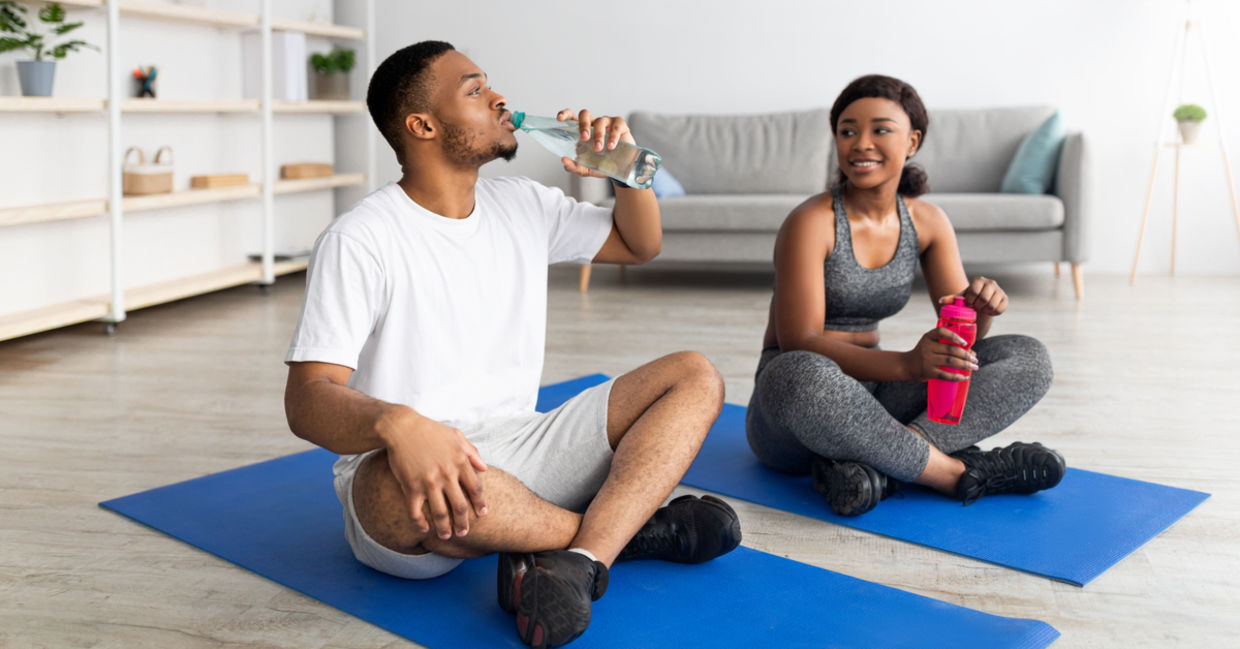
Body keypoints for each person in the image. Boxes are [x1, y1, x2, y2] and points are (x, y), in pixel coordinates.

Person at [283, 41, 741, 649]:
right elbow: (307, 399)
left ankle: (577, 560)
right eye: (474, 90)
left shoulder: (522, 203)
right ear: (421, 125)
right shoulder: (359, 238)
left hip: (526, 446)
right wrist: (398, 425)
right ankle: (628, 536)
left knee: (694, 374)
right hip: (422, 474)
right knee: (383, 491)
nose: (500, 98)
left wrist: (628, 169)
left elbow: (639, 246)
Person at [745, 74, 1066, 517]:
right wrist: (908, 365)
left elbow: (961, 339)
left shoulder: (929, 222)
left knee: (1028, 357)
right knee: (798, 371)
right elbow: (800, 340)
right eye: (848, 130)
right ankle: (956, 475)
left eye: (880, 129)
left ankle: (877, 467)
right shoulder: (812, 221)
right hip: (793, 412)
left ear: (912, 141)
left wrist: (979, 311)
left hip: (878, 397)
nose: (861, 143)